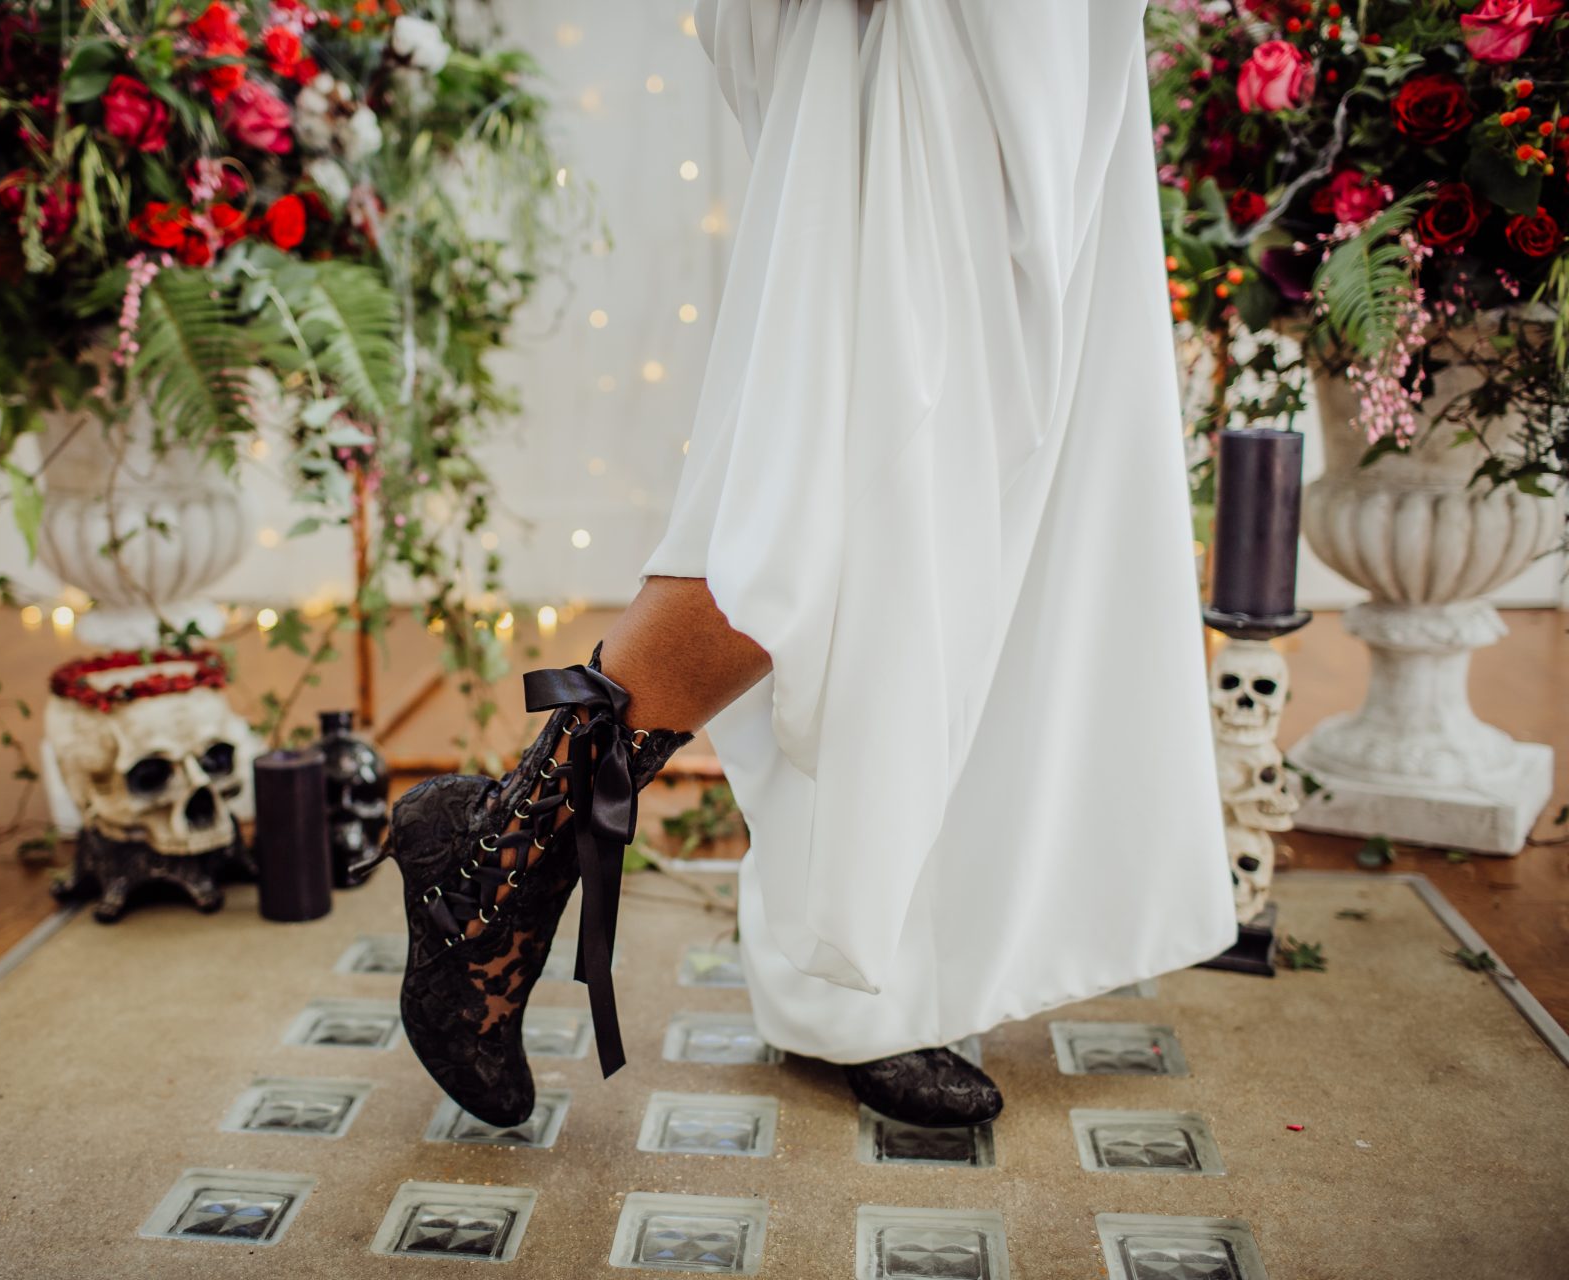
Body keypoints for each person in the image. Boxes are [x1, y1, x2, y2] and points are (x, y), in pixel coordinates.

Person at [382, 0, 1240, 1130]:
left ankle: (871, 963)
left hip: (1053, 39)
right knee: (841, 491)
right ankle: (508, 862)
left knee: (988, 511)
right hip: (933, 39)